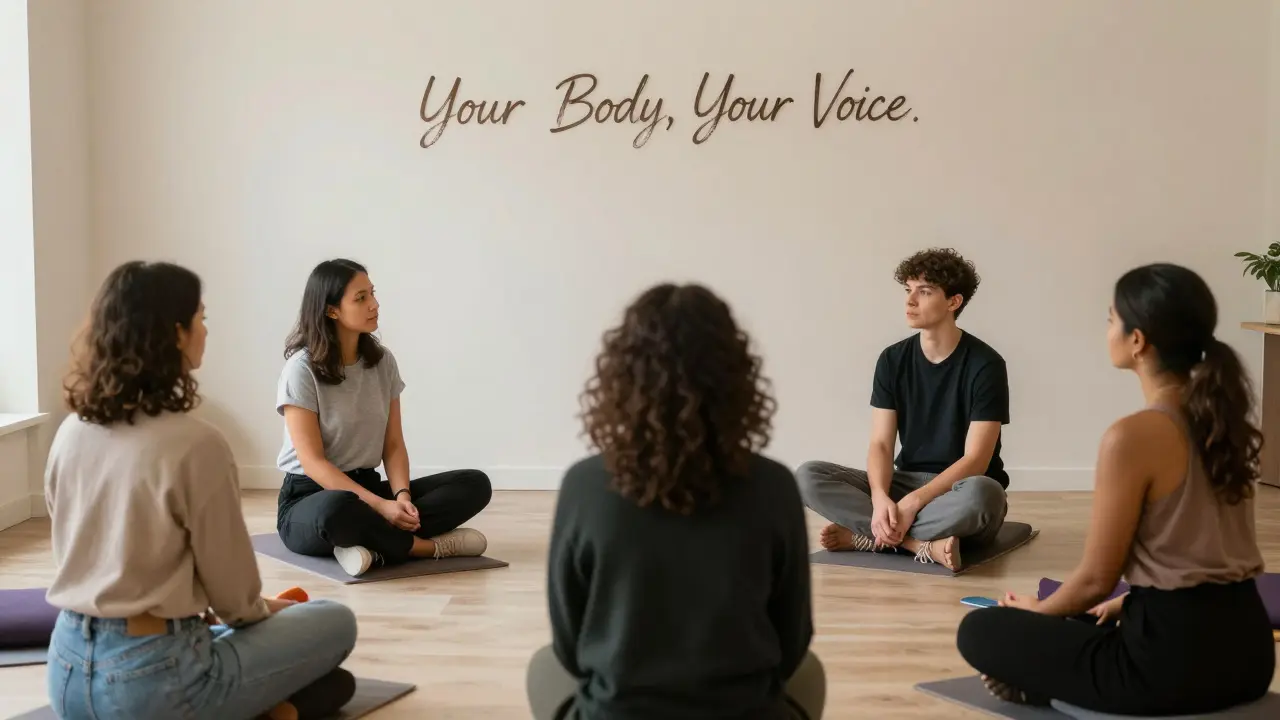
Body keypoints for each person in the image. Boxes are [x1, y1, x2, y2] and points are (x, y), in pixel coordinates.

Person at [44, 261, 359, 720]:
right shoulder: (197, 444)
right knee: (335, 622)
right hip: (154, 681)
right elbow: (236, 604)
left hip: (66, 672)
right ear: (175, 334)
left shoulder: (72, 430)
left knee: (334, 684)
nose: (206, 331)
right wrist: (265, 612)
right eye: (201, 319)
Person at [955, 263, 1274, 715]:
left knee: (982, 630)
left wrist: (1034, 615)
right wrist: (1125, 601)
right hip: (1249, 656)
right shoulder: (1227, 425)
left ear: (1138, 340)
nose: (1107, 331)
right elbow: (1204, 562)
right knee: (1095, 616)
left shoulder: (1132, 436)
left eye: (1111, 319)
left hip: (1169, 667)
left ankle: (1042, 684)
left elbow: (1093, 581)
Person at [527, 283, 826, 720]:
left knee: (543, 669)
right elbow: (792, 639)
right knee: (810, 675)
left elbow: (571, 645)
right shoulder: (774, 485)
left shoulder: (583, 485)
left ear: (621, 375)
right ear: (735, 374)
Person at [274, 258, 492, 578]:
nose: (374, 304)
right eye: (360, 298)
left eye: (372, 293)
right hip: (312, 497)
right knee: (338, 511)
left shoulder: (382, 362)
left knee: (474, 484)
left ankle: (367, 545)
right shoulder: (301, 370)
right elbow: (313, 463)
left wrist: (401, 498)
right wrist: (380, 507)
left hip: (368, 488)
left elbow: (392, 444)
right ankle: (424, 548)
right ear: (331, 310)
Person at [796, 247, 1009, 571]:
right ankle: (916, 544)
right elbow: (881, 444)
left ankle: (867, 536)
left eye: (924, 292)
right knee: (808, 476)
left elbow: (975, 460)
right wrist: (882, 497)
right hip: (905, 480)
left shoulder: (986, 365)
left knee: (985, 496)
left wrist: (912, 503)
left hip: (959, 488)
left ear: (954, 301)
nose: (910, 301)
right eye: (908, 290)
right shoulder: (892, 360)